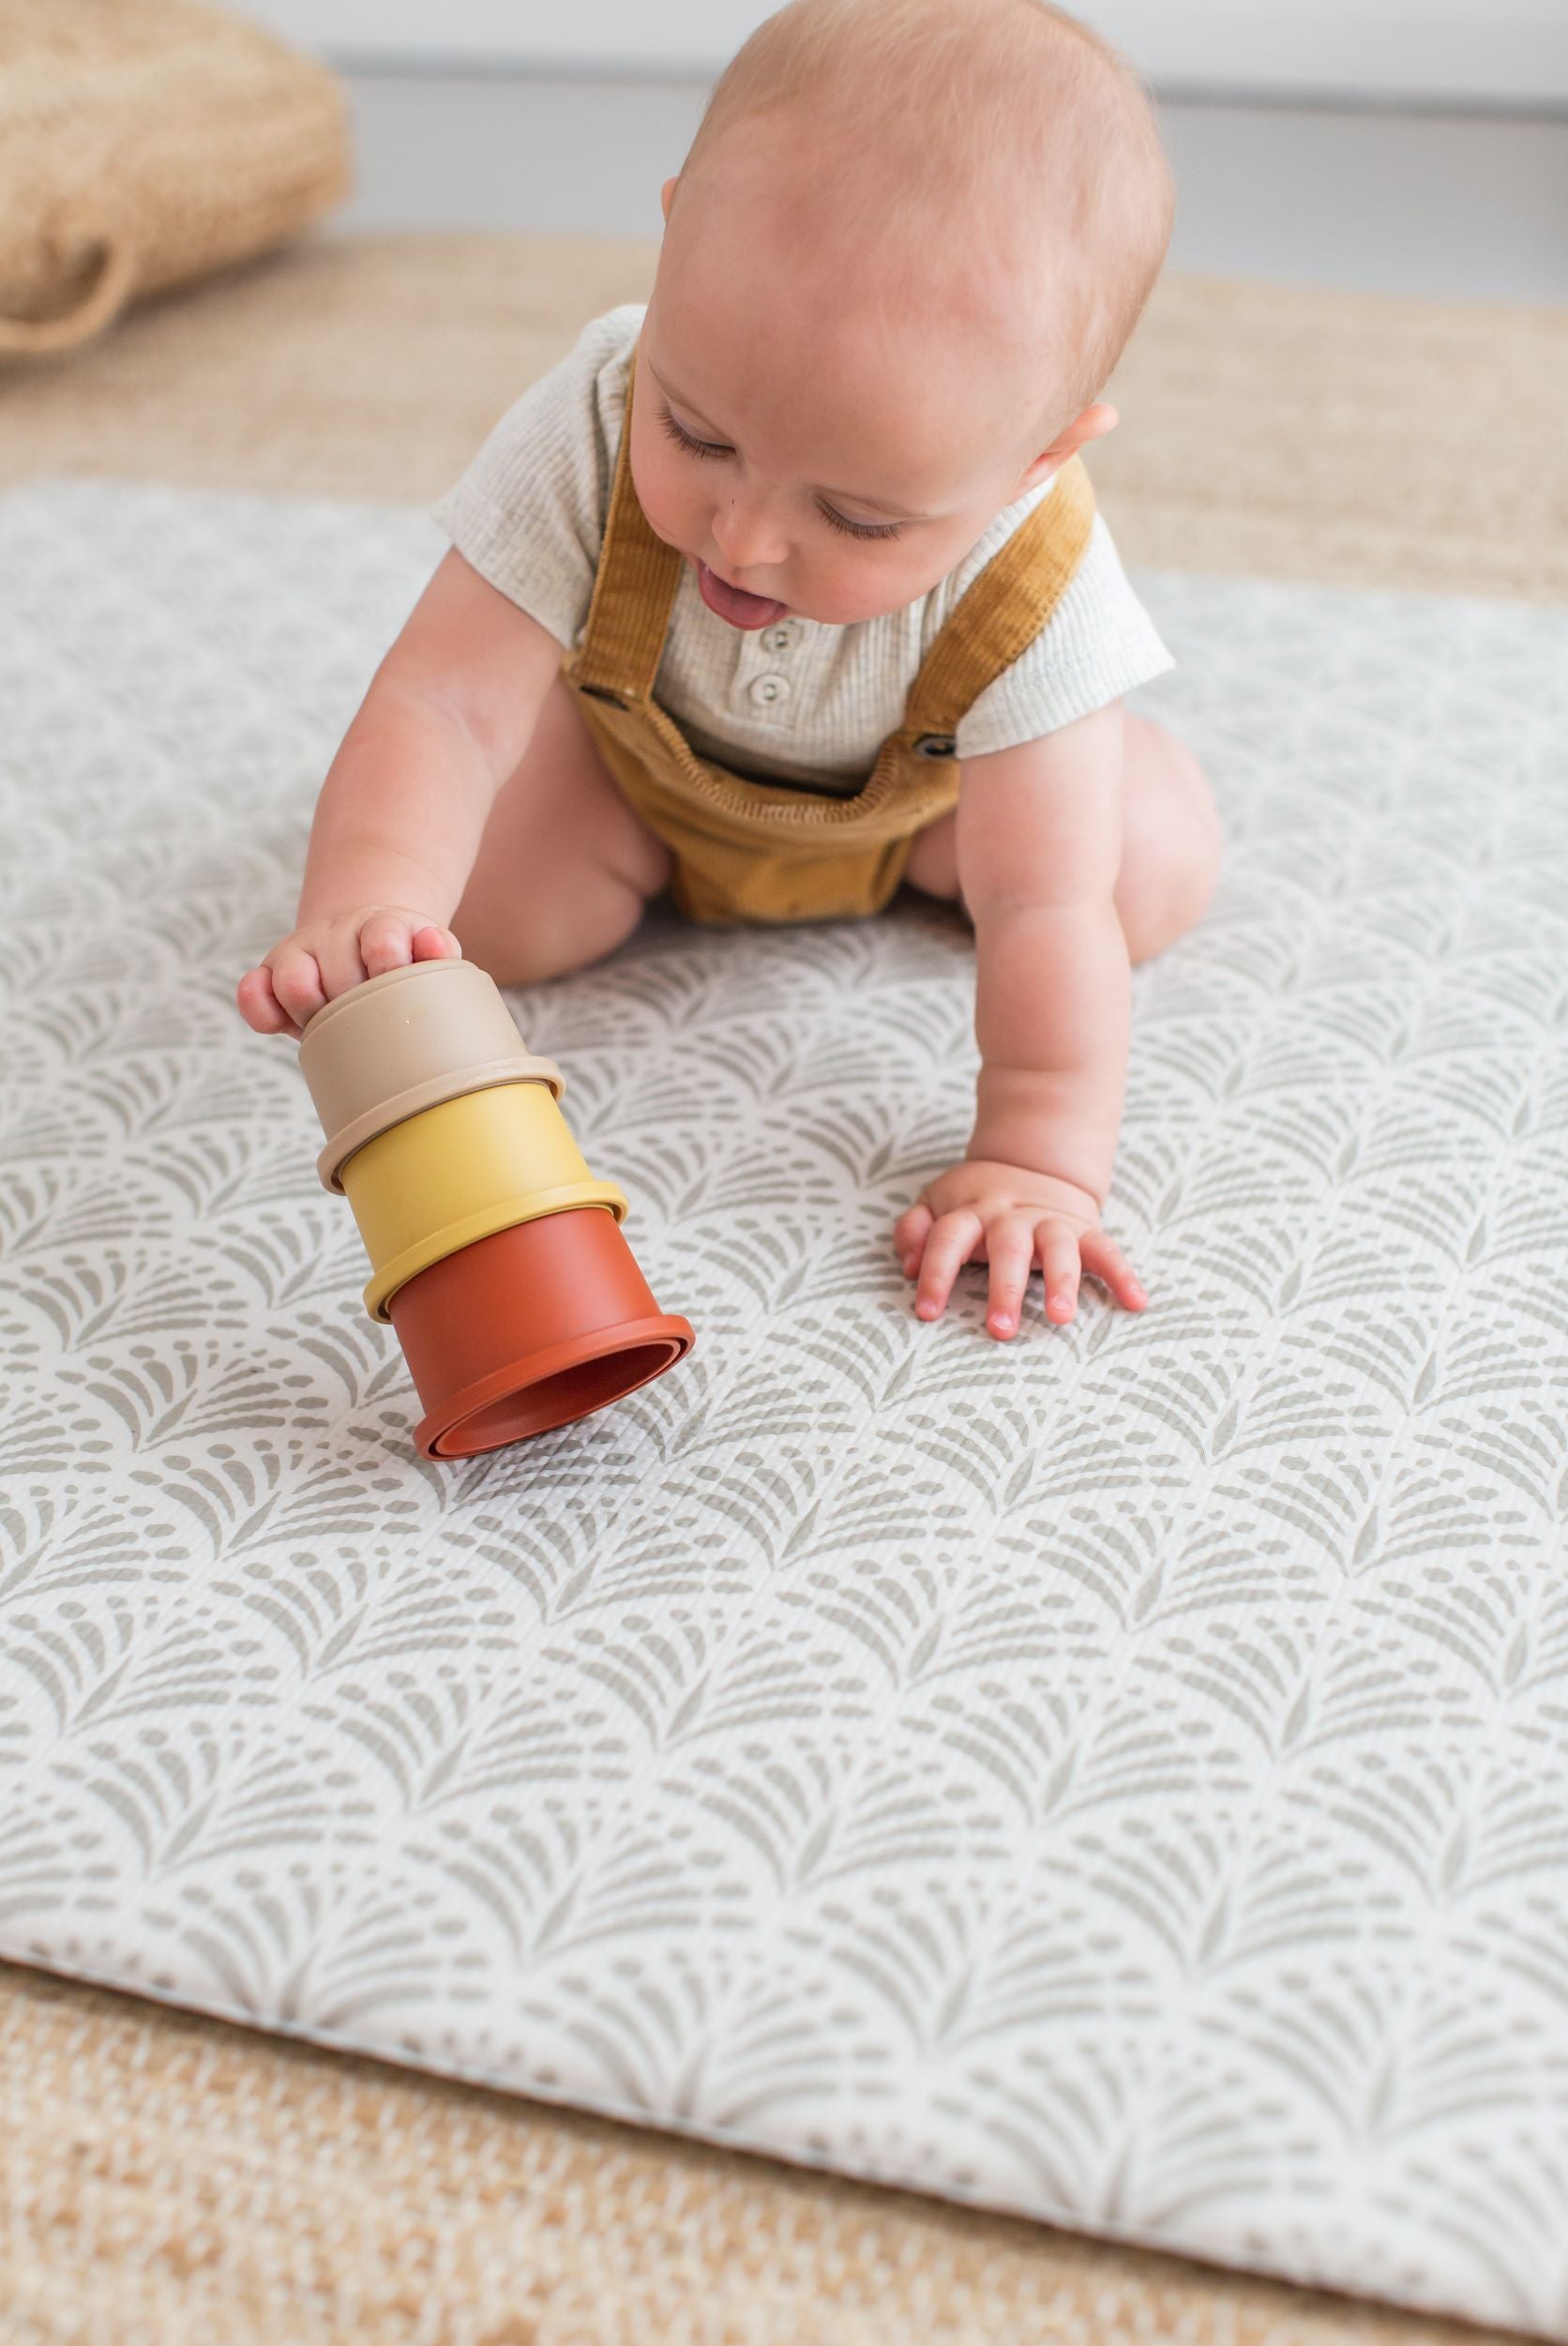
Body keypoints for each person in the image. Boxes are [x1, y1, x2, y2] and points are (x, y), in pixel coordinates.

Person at [236, 0, 1223, 1342]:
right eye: (697, 434)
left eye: (863, 519)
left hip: (932, 819)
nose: (746, 538)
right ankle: (599, 869)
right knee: (483, 918)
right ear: (672, 228)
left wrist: (1041, 1153)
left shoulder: (1038, 572)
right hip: (636, 787)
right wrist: (366, 905)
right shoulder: (596, 407)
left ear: (1041, 455)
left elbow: (1042, 902)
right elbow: (444, 701)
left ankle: (1087, 762)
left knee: (1126, 876)